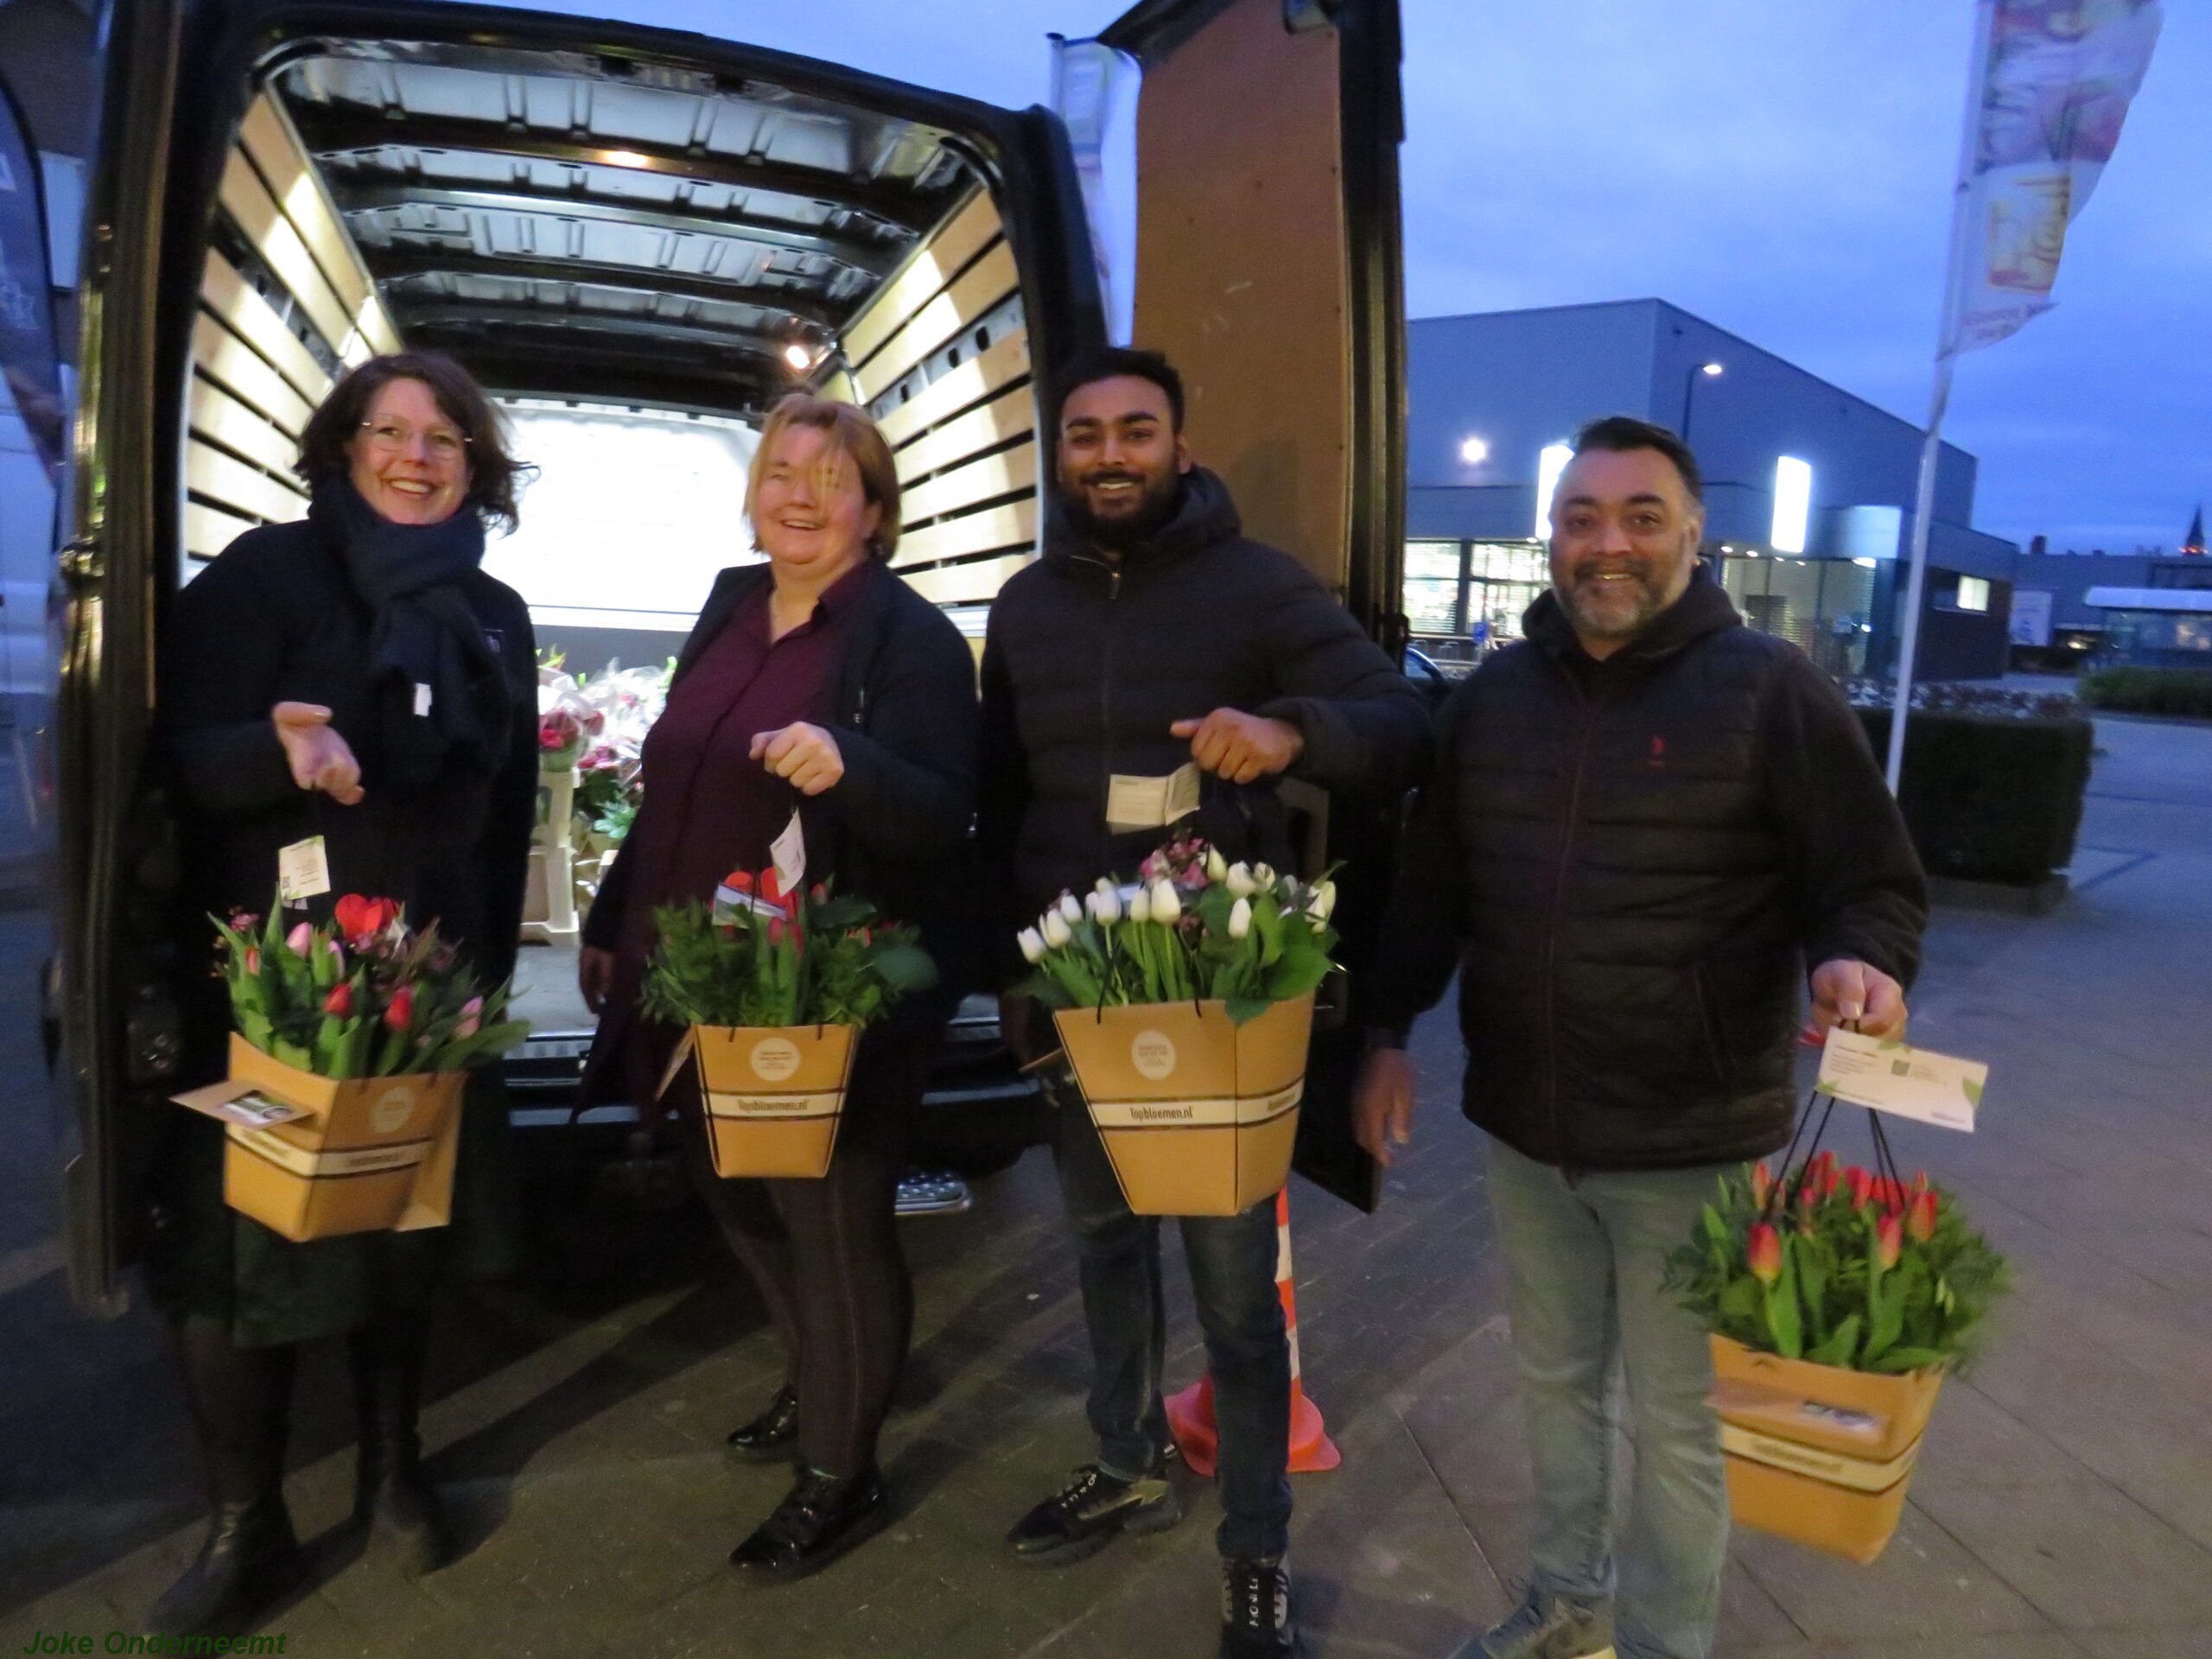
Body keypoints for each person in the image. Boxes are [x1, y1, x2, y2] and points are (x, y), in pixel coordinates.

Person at [1352, 416, 1929, 1659]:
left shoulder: (1770, 690)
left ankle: (1669, 1646)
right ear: (1549, 536)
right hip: (1526, 1124)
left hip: (1692, 1141)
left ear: (1694, 536)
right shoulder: (1496, 697)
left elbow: (1871, 881)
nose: (1607, 543)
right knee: (1554, 1386)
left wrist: (1860, 961)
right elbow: (1431, 888)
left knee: (1680, 1425)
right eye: (1581, 517)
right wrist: (1388, 1030)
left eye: (1641, 515)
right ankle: (1567, 1603)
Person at [979, 346, 1430, 1659]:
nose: (1109, 455)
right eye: (1084, 436)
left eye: (1135, 431)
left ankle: (1256, 1548)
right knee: (1103, 1250)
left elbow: (1400, 720)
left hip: (1214, 998)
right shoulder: (1024, 605)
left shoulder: (1261, 585)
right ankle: (1120, 1462)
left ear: (1180, 445)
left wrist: (1293, 726)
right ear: (1058, 454)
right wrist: (1010, 970)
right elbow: (1002, 797)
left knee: (1237, 1299)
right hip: (1077, 988)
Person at [152, 351, 540, 1632]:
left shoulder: (494, 611)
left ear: (476, 466)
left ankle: (393, 1475)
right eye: (390, 430)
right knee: (235, 1256)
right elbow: (187, 770)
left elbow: (504, 814)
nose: (416, 455)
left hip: (419, 980)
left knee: (398, 1230)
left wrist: (478, 964)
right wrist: (280, 752)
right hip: (273, 982)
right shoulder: (266, 578)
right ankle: (243, 1524)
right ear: (344, 445)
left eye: (445, 439)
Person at [575, 393, 977, 1581]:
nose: (799, 494)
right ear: (752, 494)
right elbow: (674, 779)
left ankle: (841, 1474)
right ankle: (821, 1390)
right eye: (780, 470)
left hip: (818, 986)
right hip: (692, 970)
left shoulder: (909, 640)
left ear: (874, 508)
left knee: (832, 1219)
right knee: (728, 1188)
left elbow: (942, 811)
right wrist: (610, 918)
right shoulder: (729, 608)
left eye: (829, 476)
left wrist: (852, 763)